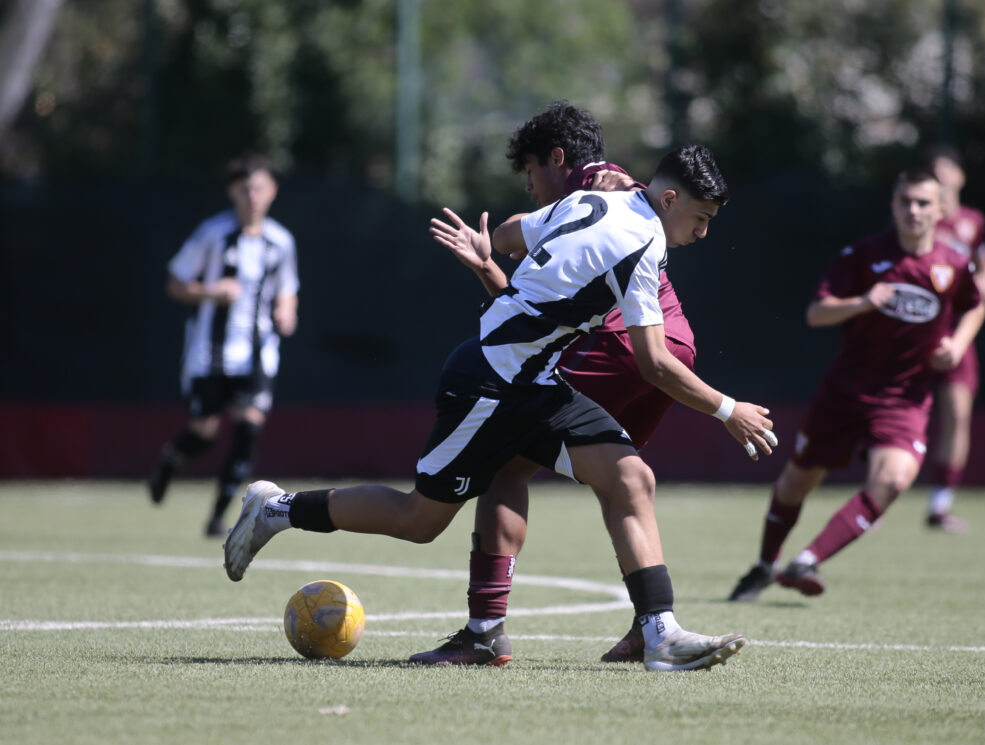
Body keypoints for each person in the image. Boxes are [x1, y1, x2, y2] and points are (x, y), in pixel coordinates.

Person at [223, 144, 778, 672]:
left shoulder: (594, 199)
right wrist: (730, 410)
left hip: (535, 382)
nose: (703, 234)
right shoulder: (643, 243)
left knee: (630, 478)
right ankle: (277, 508)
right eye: (701, 219)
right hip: (489, 383)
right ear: (671, 200)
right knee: (419, 521)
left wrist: (493, 253)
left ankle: (660, 633)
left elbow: (514, 232)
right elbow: (654, 363)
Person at [410, 102, 722, 668]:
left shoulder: (590, 188)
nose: (529, 187)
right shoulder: (621, 194)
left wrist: (727, 410)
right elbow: (532, 297)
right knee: (629, 478)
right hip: (673, 342)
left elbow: (515, 250)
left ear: (557, 160)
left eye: (529, 173)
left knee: (506, 465)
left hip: (620, 345)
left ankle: (485, 629)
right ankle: (652, 626)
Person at [726, 166, 985, 602]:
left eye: (924, 203)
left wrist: (957, 344)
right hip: (845, 394)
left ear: (940, 210)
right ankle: (764, 566)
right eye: (905, 201)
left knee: (896, 477)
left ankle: (807, 561)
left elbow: (973, 306)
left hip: (904, 399)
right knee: (796, 482)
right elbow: (816, 313)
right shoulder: (863, 256)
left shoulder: (954, 263)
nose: (914, 211)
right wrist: (863, 302)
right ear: (893, 206)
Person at [147, 154, 299, 537]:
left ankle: (219, 517)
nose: (252, 196)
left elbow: (288, 291)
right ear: (232, 191)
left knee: (249, 428)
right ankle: (171, 458)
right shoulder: (212, 235)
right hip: (209, 354)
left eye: (259, 188)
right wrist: (213, 292)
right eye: (245, 189)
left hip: (258, 354)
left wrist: (286, 312)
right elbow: (175, 283)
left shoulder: (280, 242)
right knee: (203, 433)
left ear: (272, 192)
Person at [921, 144, 985, 533]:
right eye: (934, 174)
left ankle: (940, 505)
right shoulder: (919, 217)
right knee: (889, 409)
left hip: (957, 332)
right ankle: (873, 495)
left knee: (958, 414)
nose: (941, 180)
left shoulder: (974, 222)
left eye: (946, 172)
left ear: (960, 177)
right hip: (916, 329)